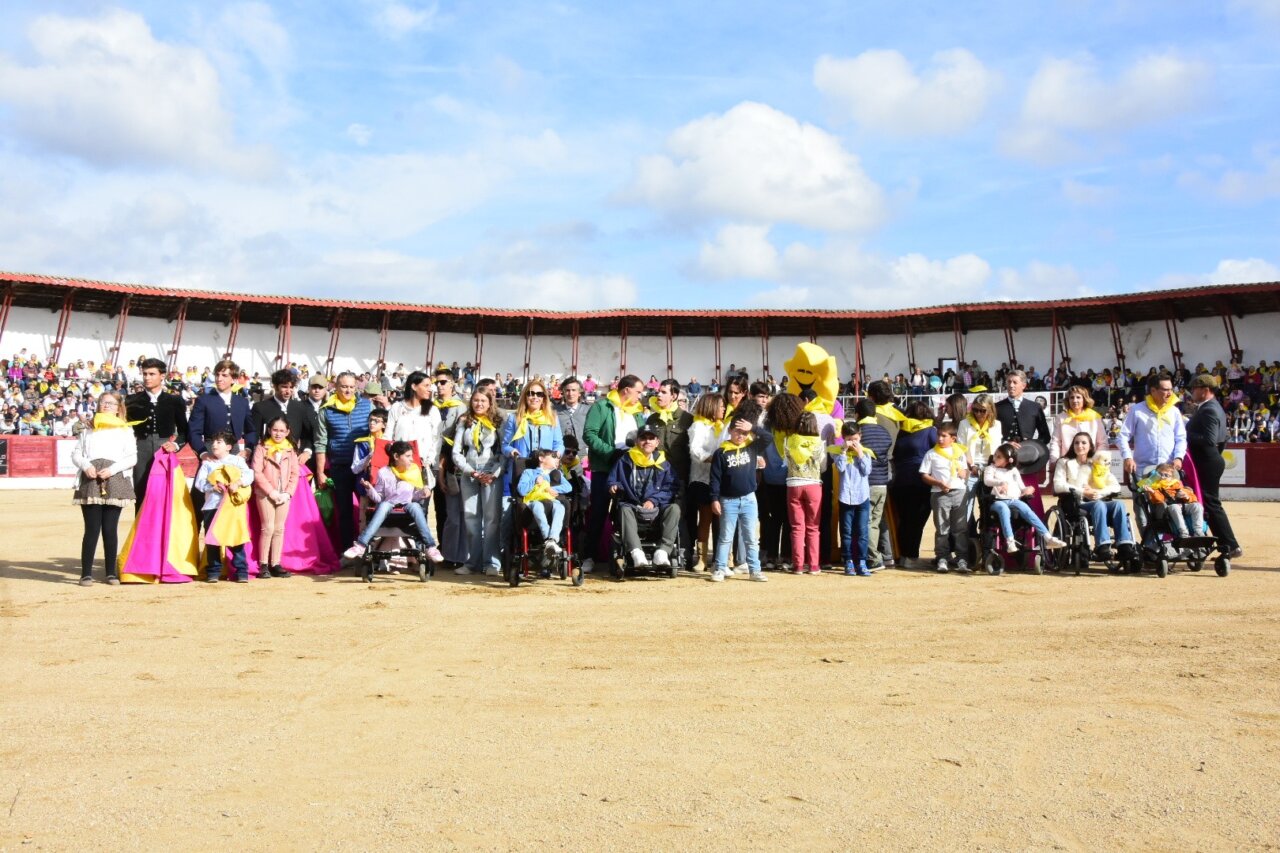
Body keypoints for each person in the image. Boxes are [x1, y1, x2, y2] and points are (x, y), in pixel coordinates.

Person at [581, 374, 648, 572]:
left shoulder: (636, 412)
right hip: (604, 467)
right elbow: (589, 434)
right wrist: (610, 453)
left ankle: (625, 553)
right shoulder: (601, 407)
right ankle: (588, 556)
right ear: (626, 390)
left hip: (630, 468)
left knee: (626, 511)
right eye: (637, 392)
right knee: (599, 512)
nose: (640, 396)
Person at [70, 391, 137, 586]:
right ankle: (86, 574)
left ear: (118, 408)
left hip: (114, 477)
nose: (105, 406)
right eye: (102, 402)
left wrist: (113, 469)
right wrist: (87, 466)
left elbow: (132, 457)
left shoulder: (125, 430)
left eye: (110, 403)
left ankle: (110, 573)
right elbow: (76, 454)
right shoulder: (88, 429)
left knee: (110, 528)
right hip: (90, 478)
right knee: (91, 529)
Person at [344, 439, 444, 564]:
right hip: (388, 507)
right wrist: (370, 489)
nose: (412, 459)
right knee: (385, 504)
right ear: (396, 456)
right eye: (408, 456)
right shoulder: (383, 472)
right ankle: (360, 545)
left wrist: (422, 493)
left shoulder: (413, 471)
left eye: (411, 456)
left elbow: (414, 496)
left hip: (407, 507)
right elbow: (379, 498)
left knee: (416, 507)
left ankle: (431, 547)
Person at [707, 401, 766, 583]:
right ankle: (720, 567)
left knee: (751, 537)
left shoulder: (751, 446)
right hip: (728, 500)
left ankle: (755, 570)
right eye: (737, 432)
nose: (741, 435)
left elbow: (767, 439)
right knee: (725, 537)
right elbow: (715, 479)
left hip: (749, 498)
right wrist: (714, 499)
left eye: (744, 433)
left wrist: (753, 427)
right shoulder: (721, 452)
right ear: (730, 431)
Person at [314, 372, 373, 550]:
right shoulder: (326, 409)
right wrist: (320, 472)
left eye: (351, 387)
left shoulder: (367, 405)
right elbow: (320, 442)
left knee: (369, 509)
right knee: (344, 511)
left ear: (356, 387)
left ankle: (369, 548)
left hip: (364, 468)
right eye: (344, 386)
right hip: (339, 467)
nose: (348, 390)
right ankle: (347, 550)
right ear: (336, 387)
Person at [1052, 433, 1135, 560]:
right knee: (1099, 505)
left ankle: (1124, 545)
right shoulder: (1064, 462)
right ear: (1072, 445)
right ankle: (1102, 546)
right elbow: (1058, 485)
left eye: (1084, 443)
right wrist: (1083, 492)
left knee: (1119, 504)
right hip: (1075, 503)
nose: (1080, 446)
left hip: (1097, 499)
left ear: (1090, 446)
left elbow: (1116, 486)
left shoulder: (1096, 462)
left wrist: (1099, 492)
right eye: (1077, 443)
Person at [607, 424, 681, 567]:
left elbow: (671, 487)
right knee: (623, 509)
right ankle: (636, 553)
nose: (647, 441)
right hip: (632, 507)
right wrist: (614, 486)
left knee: (674, 509)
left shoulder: (664, 463)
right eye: (643, 438)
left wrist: (653, 500)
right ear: (636, 441)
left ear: (657, 442)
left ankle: (663, 552)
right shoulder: (625, 460)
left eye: (651, 438)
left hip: (657, 508)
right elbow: (612, 479)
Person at [1185, 374, 1242, 559]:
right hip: (1211, 459)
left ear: (1204, 389)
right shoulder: (1211, 407)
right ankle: (1226, 543)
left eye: (1194, 389)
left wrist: (1185, 434)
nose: (1192, 392)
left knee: (1210, 503)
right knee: (1209, 503)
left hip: (1207, 461)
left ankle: (1230, 544)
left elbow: (1209, 440)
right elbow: (1222, 439)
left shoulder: (1208, 409)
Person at [452, 387, 505, 576]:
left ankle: (492, 562)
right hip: (470, 475)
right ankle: (472, 561)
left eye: (483, 400)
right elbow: (456, 452)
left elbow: (502, 452)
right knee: (471, 518)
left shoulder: (498, 422)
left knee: (492, 520)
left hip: (491, 475)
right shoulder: (464, 422)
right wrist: (471, 472)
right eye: (476, 400)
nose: (479, 404)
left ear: (490, 403)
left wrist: (495, 474)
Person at [124, 357, 188, 506]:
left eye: (152, 374)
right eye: (145, 374)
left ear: (162, 376)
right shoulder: (132, 400)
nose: (147, 377)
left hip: (165, 448)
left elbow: (185, 431)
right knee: (141, 491)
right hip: (140, 447)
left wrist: (175, 445)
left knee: (165, 492)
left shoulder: (175, 401)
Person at [194, 431, 255, 583]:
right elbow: (199, 483)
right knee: (212, 540)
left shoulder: (237, 460)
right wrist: (212, 487)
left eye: (219, 442)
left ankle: (241, 571)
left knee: (235, 538)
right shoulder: (207, 464)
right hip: (212, 506)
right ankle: (214, 571)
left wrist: (238, 483)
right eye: (213, 442)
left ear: (228, 446)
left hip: (231, 506)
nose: (214, 445)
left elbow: (249, 475)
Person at [984, 443, 1067, 554]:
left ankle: (1048, 538)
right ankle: (1010, 541)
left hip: (1014, 499)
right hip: (997, 501)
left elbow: (1022, 487)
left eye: (999, 457)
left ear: (1009, 460)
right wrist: (1000, 482)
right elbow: (987, 481)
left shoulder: (1013, 471)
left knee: (1027, 510)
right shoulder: (991, 469)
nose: (994, 458)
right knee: (1004, 509)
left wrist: (1028, 489)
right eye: (995, 455)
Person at [646, 379, 694, 564]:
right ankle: (658, 551)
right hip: (655, 478)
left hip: (679, 477)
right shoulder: (652, 419)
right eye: (658, 391)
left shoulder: (687, 419)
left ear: (674, 395)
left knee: (681, 515)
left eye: (663, 392)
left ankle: (684, 553)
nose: (658, 395)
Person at [887, 400, 937, 566]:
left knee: (905, 520)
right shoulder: (930, 430)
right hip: (921, 481)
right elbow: (939, 453)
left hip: (901, 480)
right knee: (917, 521)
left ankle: (902, 555)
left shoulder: (903, 431)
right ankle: (911, 555)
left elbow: (895, 456)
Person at [251, 415, 300, 579]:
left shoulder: (290, 449)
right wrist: (271, 491)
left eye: (281, 431)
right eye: (275, 430)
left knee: (279, 528)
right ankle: (263, 564)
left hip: (283, 494)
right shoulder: (262, 448)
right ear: (269, 430)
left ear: (287, 432)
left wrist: (288, 493)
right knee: (268, 527)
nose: (278, 434)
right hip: (266, 493)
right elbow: (257, 472)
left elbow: (295, 473)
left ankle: (275, 563)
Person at [919, 423, 972, 573]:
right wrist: (938, 483)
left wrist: (965, 474)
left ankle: (961, 557)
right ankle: (942, 557)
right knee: (942, 528)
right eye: (939, 435)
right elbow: (924, 475)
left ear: (953, 439)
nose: (940, 439)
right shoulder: (931, 453)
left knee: (960, 528)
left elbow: (965, 471)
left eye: (944, 436)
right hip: (940, 493)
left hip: (959, 492)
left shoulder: (959, 452)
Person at [686, 391, 728, 572]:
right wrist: (715, 459)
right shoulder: (698, 426)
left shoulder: (722, 427)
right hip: (702, 478)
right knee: (705, 519)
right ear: (711, 406)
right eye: (721, 406)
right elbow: (695, 452)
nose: (724, 409)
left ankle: (723, 557)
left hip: (719, 479)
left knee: (722, 519)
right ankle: (701, 558)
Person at [784, 412, 828, 575]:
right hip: (813, 484)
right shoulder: (818, 443)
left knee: (796, 527)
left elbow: (785, 462)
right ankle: (814, 565)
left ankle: (798, 565)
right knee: (813, 527)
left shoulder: (789, 440)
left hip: (794, 484)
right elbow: (823, 467)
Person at [188, 358, 257, 461]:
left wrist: (248, 449)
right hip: (211, 450)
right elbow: (193, 431)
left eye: (224, 375)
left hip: (235, 451)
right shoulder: (203, 400)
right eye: (217, 375)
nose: (219, 379)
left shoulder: (242, 402)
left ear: (233, 379)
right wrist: (203, 452)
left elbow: (250, 430)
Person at [386, 371, 443, 495]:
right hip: (399, 466)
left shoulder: (432, 410)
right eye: (426, 385)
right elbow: (388, 436)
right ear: (414, 386)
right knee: (398, 507)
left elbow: (437, 439)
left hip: (424, 465)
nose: (430, 389)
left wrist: (429, 461)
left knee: (420, 509)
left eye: (430, 386)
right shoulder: (396, 408)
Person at [853, 399, 894, 569]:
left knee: (867, 521)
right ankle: (886, 555)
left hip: (866, 483)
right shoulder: (884, 432)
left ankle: (873, 558)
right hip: (882, 482)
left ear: (857, 415)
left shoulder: (859, 433)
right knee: (878, 521)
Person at [251, 368, 317, 472]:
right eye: (284, 387)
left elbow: (308, 434)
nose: (288, 391)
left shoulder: (300, 407)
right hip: (269, 462)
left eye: (291, 387)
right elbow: (253, 436)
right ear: (275, 386)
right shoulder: (260, 408)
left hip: (295, 461)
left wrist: (307, 451)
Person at [831, 421, 872, 576]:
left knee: (862, 531)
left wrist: (860, 453)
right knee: (846, 532)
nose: (853, 442)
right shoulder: (838, 452)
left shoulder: (866, 452)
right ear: (843, 438)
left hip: (862, 496)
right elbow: (840, 468)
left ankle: (861, 561)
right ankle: (848, 560)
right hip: (846, 496)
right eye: (849, 439)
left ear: (860, 436)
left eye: (855, 438)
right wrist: (843, 450)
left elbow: (867, 470)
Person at [517, 447, 573, 556]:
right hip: (534, 500)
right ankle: (548, 538)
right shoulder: (529, 472)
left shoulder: (556, 473)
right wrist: (535, 481)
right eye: (553, 457)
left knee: (560, 507)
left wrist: (553, 489)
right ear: (541, 458)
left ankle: (552, 539)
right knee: (538, 506)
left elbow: (568, 487)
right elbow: (521, 490)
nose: (556, 459)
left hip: (550, 500)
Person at [1137, 462, 1205, 540]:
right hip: (1166, 510)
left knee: (1197, 506)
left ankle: (1198, 532)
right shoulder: (1155, 487)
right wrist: (1152, 491)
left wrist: (1186, 496)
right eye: (1160, 474)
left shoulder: (1177, 485)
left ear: (1171, 477)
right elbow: (1159, 500)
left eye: (1166, 475)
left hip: (1183, 506)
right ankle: (1183, 532)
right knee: (1174, 507)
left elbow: (1193, 498)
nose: (1162, 477)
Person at [1049, 385, 1106, 464]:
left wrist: (1098, 461)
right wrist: (1054, 461)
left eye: (1078, 397)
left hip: (1091, 464)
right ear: (1068, 400)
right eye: (1071, 397)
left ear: (1084, 399)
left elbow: (1102, 443)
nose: (1075, 400)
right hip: (1067, 463)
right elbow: (1056, 442)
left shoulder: (1095, 417)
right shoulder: (1061, 418)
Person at [995, 369, 1051, 447]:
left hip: (1028, 455)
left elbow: (1045, 436)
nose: (1011, 385)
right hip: (1003, 454)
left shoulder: (1035, 407)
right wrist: (1005, 444)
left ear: (1023, 385)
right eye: (1009, 382)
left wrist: (1032, 446)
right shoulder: (996, 407)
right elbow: (990, 435)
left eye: (1015, 382)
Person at [554, 376, 590, 444]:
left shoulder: (589, 411)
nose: (570, 394)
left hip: (583, 453)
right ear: (563, 393)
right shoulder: (554, 411)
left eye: (573, 390)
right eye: (567, 390)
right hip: (562, 453)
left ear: (579, 393)